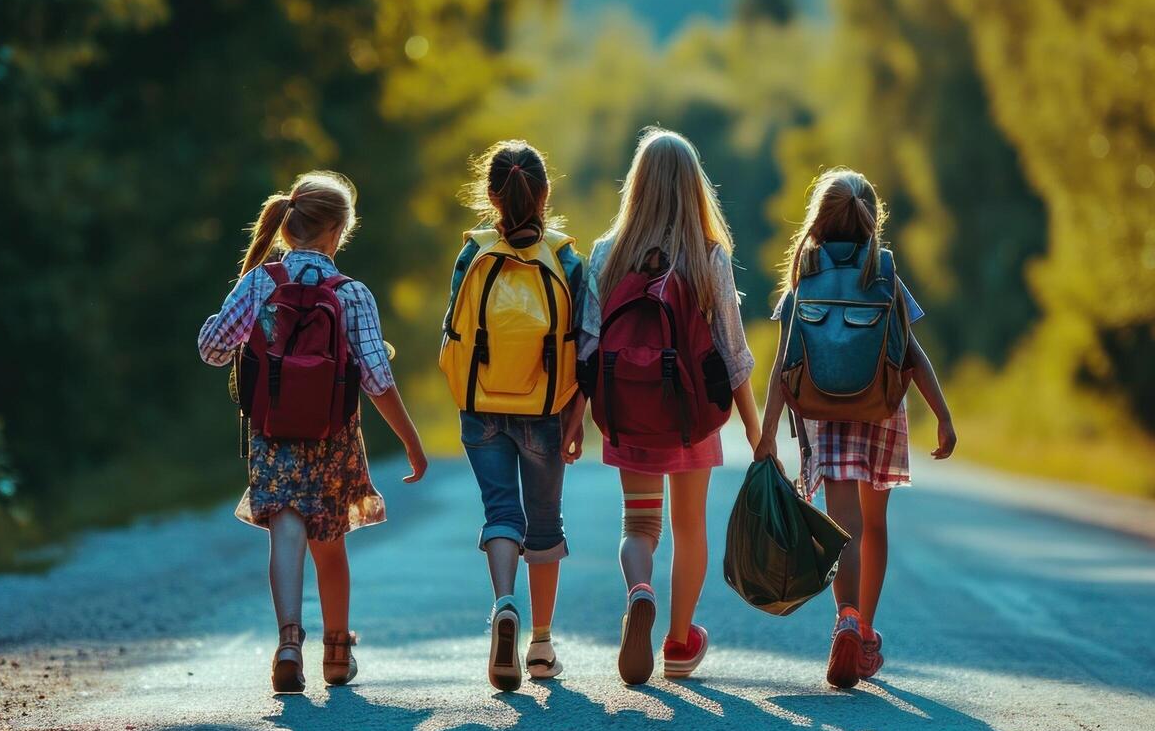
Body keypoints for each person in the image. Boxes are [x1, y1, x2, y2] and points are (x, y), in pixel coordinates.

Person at [198, 171, 427, 692]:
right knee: (330, 540)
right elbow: (377, 379)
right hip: (333, 435)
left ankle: (287, 641)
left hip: (272, 430)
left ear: (287, 226)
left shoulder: (260, 281)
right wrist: (413, 445)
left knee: (286, 526)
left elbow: (211, 349)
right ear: (338, 232)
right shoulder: (351, 294)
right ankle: (338, 653)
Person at [754, 168, 956, 688]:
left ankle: (844, 618)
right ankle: (864, 630)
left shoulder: (808, 272)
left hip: (825, 414)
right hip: (880, 411)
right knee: (874, 526)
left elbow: (783, 361)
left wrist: (769, 430)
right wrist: (943, 415)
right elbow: (912, 353)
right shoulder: (882, 270)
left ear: (818, 220)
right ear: (872, 222)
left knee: (842, 525)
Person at [578, 128, 760, 684]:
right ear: (692, 188)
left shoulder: (609, 254)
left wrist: (571, 420)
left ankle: (639, 591)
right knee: (689, 527)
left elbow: (587, 345)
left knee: (639, 523)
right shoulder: (709, 256)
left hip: (627, 410)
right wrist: (757, 431)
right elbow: (733, 353)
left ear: (636, 186)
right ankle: (680, 644)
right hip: (690, 418)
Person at [440, 140, 588, 691]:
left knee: (502, 512)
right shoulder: (567, 259)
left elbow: (451, 333)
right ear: (546, 193)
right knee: (545, 521)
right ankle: (542, 646)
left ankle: (504, 604)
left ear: (490, 195)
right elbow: (583, 347)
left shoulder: (472, 254)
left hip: (480, 407)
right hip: (546, 409)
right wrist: (577, 415)